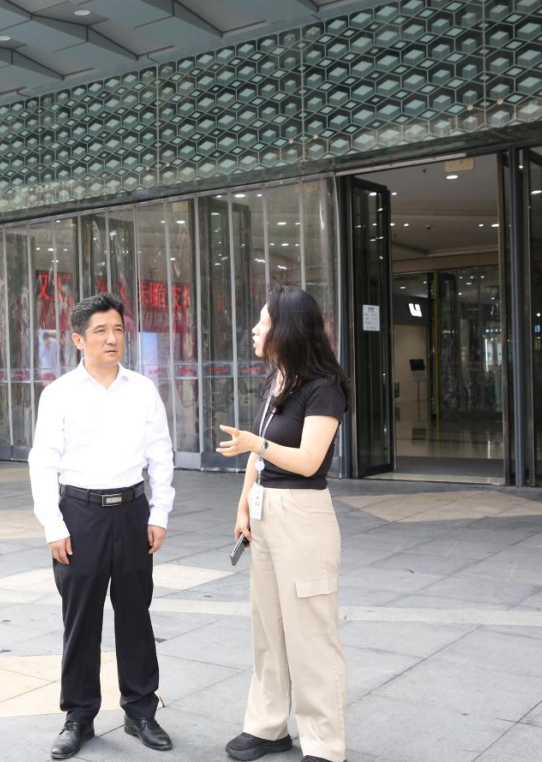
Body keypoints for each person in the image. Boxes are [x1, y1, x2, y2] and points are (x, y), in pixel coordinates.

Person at [29, 292, 175, 760]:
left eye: (117, 329)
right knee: (81, 620)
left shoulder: (143, 390)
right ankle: (78, 716)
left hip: (132, 511)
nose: (112, 339)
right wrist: (53, 524)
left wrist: (159, 513)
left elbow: (161, 454)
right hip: (79, 514)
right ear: (78, 340)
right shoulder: (58, 394)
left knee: (136, 615)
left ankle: (141, 711)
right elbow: (42, 462)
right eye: (100, 331)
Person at [217, 285, 351, 762]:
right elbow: (258, 456)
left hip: (302, 516)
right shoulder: (279, 380)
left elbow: (309, 460)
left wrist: (257, 445)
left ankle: (324, 744)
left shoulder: (324, 387)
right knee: (268, 629)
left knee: (310, 633)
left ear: (288, 329)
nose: (255, 329)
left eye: (264, 321)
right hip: (265, 510)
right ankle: (267, 727)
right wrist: (243, 507)